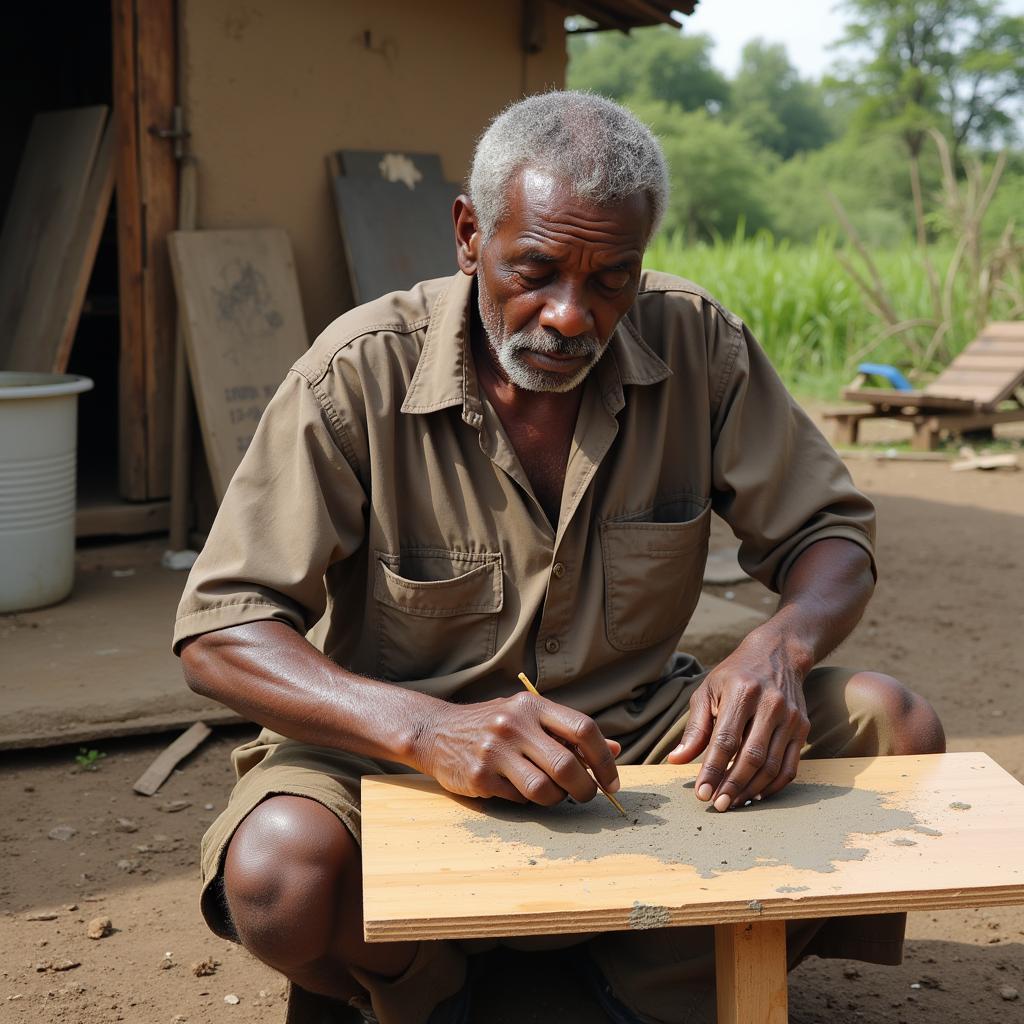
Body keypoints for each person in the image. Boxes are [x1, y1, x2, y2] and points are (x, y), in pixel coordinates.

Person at [174, 91, 945, 1024]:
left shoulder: (698, 343)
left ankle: (645, 990)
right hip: (397, 756)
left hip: (642, 749)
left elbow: (832, 535)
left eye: (613, 279)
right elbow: (223, 629)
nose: (573, 316)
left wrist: (780, 646)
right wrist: (426, 729)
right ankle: (433, 995)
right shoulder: (358, 371)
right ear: (469, 234)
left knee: (888, 728)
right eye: (535, 269)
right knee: (279, 876)